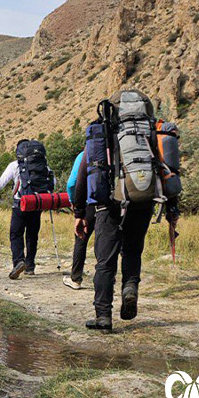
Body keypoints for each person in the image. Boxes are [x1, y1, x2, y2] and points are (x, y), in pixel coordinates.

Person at [73, 90, 180, 331]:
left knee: (105, 260)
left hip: (108, 204)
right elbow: (167, 168)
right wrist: (173, 210)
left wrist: (79, 213)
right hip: (143, 200)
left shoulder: (102, 133)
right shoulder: (152, 131)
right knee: (132, 251)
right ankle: (130, 288)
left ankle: (103, 316)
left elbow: (83, 175)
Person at [0, 139, 54, 280]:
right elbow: (51, 183)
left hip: (21, 203)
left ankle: (18, 261)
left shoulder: (15, 165)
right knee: (32, 235)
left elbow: (0, 184)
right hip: (37, 204)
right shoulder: (44, 165)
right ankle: (30, 266)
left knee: (16, 234)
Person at [63, 150, 95, 290]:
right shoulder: (116, 150)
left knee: (81, 238)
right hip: (110, 205)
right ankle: (107, 281)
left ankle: (75, 278)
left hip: (88, 203)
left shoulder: (85, 154)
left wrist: (73, 200)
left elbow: (71, 183)